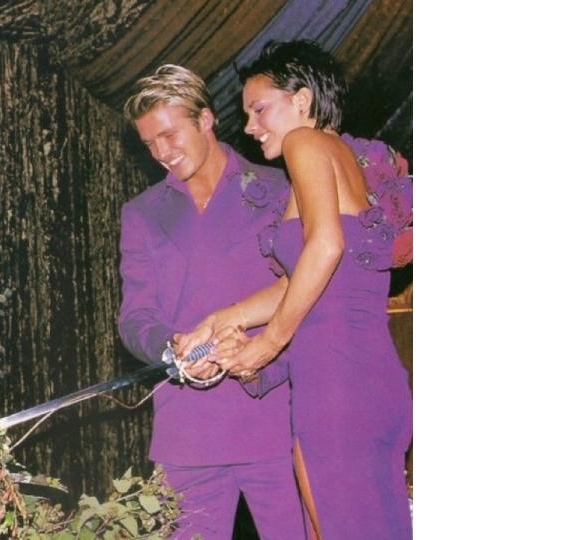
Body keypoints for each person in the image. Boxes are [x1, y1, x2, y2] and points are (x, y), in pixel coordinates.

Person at [175, 40, 413, 540]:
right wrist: (220, 322)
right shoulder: (342, 158)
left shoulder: (306, 144)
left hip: (337, 381)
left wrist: (269, 342)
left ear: (302, 101)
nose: (249, 126)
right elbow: (305, 277)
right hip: (363, 377)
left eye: (260, 109)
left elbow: (325, 247)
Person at [118, 64, 307, 539]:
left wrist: (263, 362)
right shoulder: (140, 214)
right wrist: (170, 349)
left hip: (278, 423)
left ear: (205, 120)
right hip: (187, 436)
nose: (161, 152)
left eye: (169, 135)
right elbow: (136, 316)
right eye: (149, 144)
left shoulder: (279, 190)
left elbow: (308, 298)